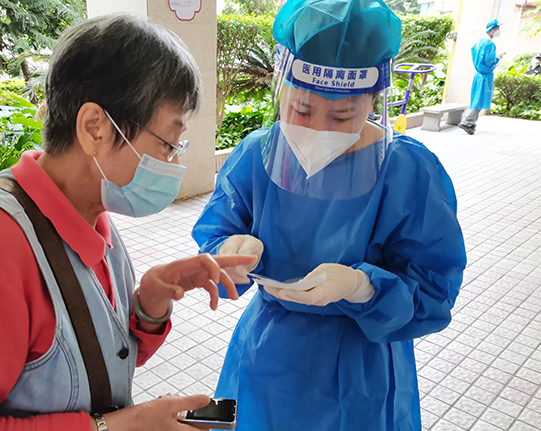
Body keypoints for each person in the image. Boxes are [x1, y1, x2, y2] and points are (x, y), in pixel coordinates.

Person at [0, 15, 257, 431]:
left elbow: (102, 364)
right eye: (168, 143)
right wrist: (123, 426)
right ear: (95, 128)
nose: (174, 162)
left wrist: (148, 304)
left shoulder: (95, 218)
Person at [192, 1, 467, 430]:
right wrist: (226, 251)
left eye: (342, 115)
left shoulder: (406, 171)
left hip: (361, 372)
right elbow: (218, 230)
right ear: (282, 87)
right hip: (268, 356)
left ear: (373, 100)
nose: (319, 129)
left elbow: (433, 289)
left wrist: (362, 287)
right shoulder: (257, 155)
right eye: (301, 110)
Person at [458, 19, 505, 135]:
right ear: (492, 30)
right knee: (480, 100)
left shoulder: (479, 42)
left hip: (479, 75)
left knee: (477, 99)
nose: (498, 31)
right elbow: (489, 61)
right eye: (497, 29)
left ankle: (471, 122)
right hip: (485, 75)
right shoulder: (489, 44)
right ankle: (467, 122)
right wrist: (497, 61)